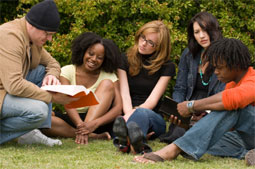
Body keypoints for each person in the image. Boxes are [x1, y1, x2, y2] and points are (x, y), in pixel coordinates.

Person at [134, 38, 255, 166]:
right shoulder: (231, 84)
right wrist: (192, 125)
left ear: (235, 65)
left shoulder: (252, 80)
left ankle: (173, 150)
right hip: (245, 139)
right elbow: (227, 125)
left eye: (219, 67)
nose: (216, 72)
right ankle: (249, 153)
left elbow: (231, 100)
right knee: (207, 140)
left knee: (235, 107)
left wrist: (191, 106)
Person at [162, 11, 249, 160]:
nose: (201, 35)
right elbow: (180, 87)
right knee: (196, 135)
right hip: (195, 113)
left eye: (205, 30)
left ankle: (177, 146)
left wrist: (195, 109)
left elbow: (227, 97)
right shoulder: (189, 55)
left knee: (226, 113)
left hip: (221, 115)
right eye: (197, 32)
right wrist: (180, 112)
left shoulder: (236, 64)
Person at [0, 0, 78, 146]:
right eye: (47, 34)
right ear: (32, 25)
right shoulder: (10, 37)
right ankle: (23, 132)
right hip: (5, 89)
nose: (49, 39)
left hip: (6, 89)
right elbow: (14, 85)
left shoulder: (32, 38)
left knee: (42, 72)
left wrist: (51, 76)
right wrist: (52, 97)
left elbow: (53, 63)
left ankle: (29, 133)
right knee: (39, 111)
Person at [42, 32, 122, 144]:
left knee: (107, 83)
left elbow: (118, 108)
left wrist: (94, 123)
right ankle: (93, 136)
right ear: (83, 52)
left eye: (99, 57)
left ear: (105, 60)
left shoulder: (109, 76)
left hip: (98, 122)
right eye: (91, 53)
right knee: (43, 120)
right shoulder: (67, 71)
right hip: (73, 119)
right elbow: (67, 102)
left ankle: (86, 131)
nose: (94, 59)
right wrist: (81, 125)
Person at [112, 20, 175, 154]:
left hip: (152, 117)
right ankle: (136, 140)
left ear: (159, 47)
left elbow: (151, 102)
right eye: (143, 37)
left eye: (151, 43)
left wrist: (128, 117)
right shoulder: (124, 59)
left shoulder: (167, 66)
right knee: (127, 120)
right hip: (126, 113)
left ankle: (125, 140)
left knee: (141, 113)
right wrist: (128, 116)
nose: (143, 43)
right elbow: (125, 94)